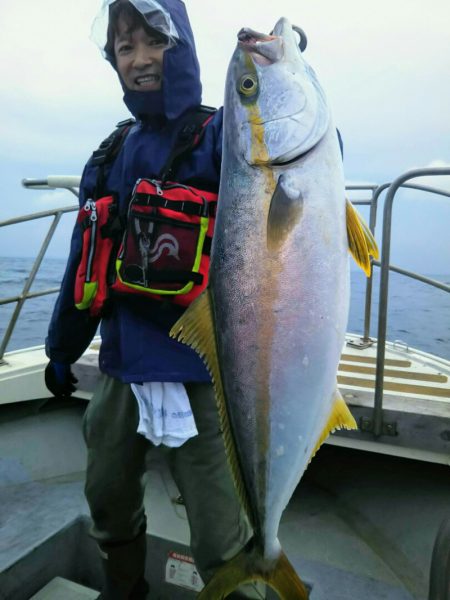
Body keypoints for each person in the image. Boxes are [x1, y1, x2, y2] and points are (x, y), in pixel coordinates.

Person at [44, 1, 265, 598]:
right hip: (121, 365)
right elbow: (80, 263)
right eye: (124, 47)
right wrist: (62, 349)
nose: (139, 59)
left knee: (223, 537)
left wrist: (281, 80)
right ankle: (124, 590)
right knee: (108, 505)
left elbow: (300, 147)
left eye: (153, 42)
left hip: (206, 374)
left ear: (183, 46)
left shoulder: (224, 134)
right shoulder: (111, 154)